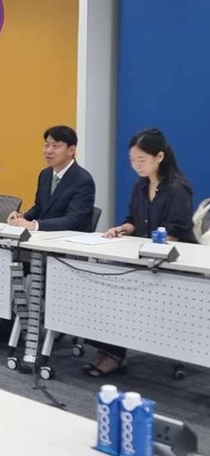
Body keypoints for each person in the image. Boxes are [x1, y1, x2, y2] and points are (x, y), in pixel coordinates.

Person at [89, 128, 198, 377]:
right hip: (146, 260)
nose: (136, 166)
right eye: (132, 160)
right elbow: (133, 220)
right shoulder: (141, 186)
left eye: (142, 160)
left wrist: (145, 246)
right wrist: (122, 229)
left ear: (159, 157)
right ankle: (108, 349)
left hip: (174, 267)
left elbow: (174, 233)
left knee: (121, 289)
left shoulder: (177, 189)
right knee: (106, 282)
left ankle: (113, 353)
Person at [7, 126, 95, 231]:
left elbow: (74, 220)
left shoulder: (82, 180)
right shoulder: (45, 174)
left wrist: (35, 225)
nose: (48, 151)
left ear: (71, 150)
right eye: (46, 145)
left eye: (55, 146)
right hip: (44, 236)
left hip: (69, 238)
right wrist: (21, 218)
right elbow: (40, 208)